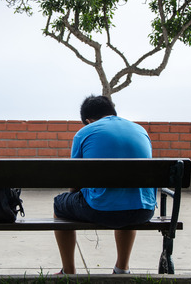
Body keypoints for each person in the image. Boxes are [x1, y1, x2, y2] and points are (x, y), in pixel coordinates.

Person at [53, 95, 156, 275]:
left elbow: (75, 181)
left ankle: (68, 271)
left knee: (59, 204)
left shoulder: (85, 132)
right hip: (143, 210)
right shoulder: (140, 130)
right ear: (112, 112)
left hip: (100, 211)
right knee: (128, 197)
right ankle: (122, 269)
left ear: (88, 120)